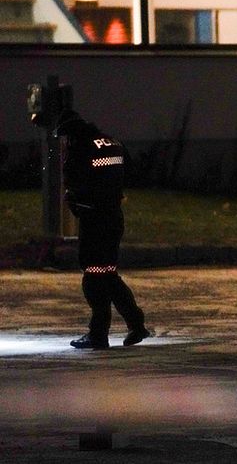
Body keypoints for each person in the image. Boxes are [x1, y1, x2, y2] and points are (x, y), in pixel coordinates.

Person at [29, 85, 151, 349]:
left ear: (69, 135)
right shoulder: (112, 142)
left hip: (94, 220)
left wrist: (76, 204)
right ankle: (136, 325)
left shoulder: (79, 149)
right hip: (113, 217)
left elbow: (74, 186)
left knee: (94, 276)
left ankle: (98, 335)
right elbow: (130, 172)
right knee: (108, 274)